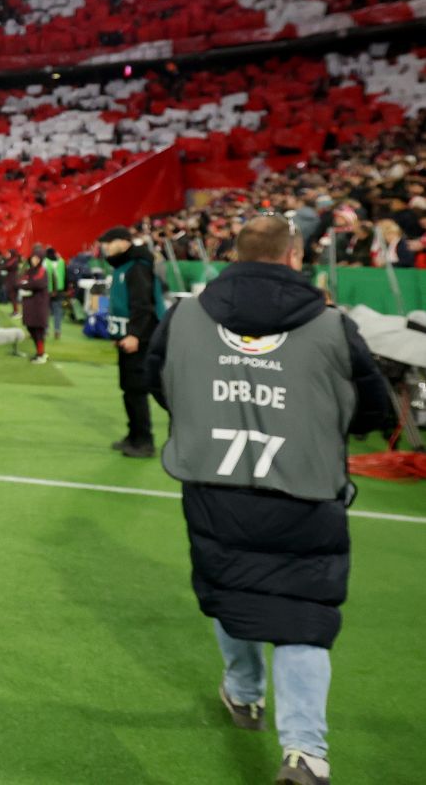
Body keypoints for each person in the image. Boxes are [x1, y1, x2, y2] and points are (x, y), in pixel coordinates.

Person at [145, 216, 393, 785]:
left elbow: (158, 381)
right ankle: (305, 751)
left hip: (215, 484)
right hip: (304, 489)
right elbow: (373, 408)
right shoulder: (333, 324)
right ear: (294, 257)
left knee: (233, 586)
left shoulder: (185, 314)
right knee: (304, 615)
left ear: (235, 253)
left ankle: (244, 694)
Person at [100, 226, 160, 457]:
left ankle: (144, 440)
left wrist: (134, 334)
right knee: (128, 389)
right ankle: (134, 435)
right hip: (128, 337)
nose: (106, 246)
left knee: (136, 390)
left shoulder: (136, 268)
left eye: (110, 241)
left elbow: (143, 305)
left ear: (124, 242)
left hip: (139, 339)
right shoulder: (125, 266)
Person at [20, 246, 51, 364]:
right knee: (31, 328)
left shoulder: (42, 271)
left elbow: (38, 284)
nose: (35, 260)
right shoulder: (28, 271)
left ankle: (41, 354)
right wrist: (26, 284)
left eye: (38, 258)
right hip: (29, 306)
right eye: (34, 257)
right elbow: (20, 281)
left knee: (39, 331)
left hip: (39, 306)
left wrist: (26, 285)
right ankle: (39, 352)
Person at [44, 246, 68, 340]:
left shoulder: (45, 262)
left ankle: (45, 331)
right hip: (60, 291)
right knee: (58, 312)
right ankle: (57, 330)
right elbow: (66, 276)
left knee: (46, 312)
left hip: (48, 290)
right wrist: (66, 290)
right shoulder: (61, 261)